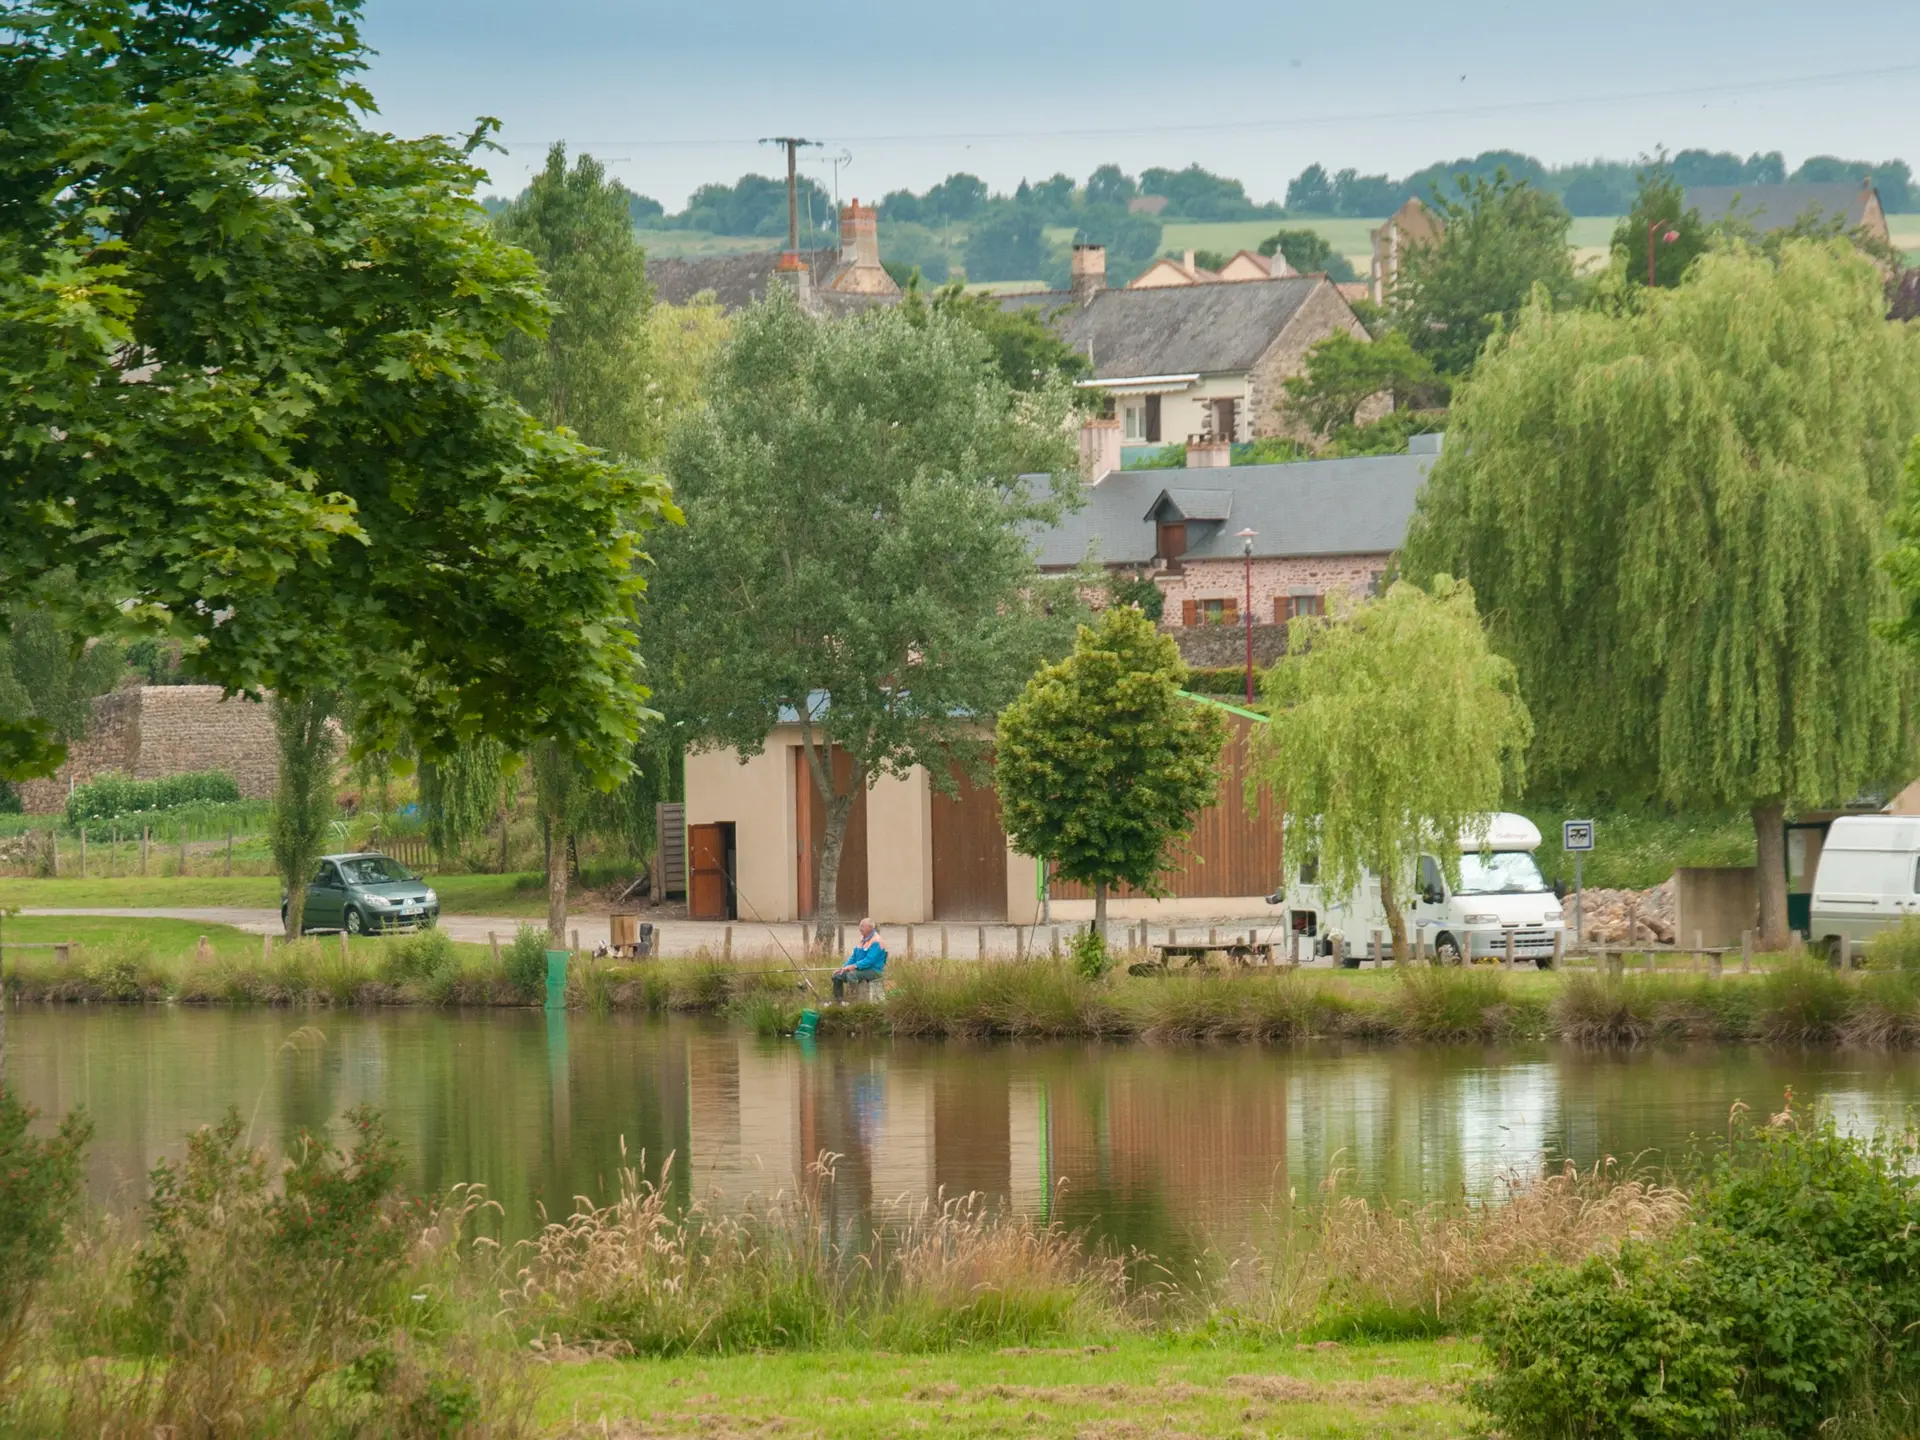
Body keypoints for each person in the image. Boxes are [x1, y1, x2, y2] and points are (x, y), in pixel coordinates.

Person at [833, 918, 887, 1002]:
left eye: (862, 926)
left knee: (851, 975)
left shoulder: (877, 941)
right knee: (837, 975)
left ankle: (853, 1000)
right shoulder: (862, 938)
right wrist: (843, 968)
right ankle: (838, 1001)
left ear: (870, 928)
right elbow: (854, 957)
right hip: (861, 969)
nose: (860, 928)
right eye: (860, 926)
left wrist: (854, 966)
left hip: (873, 970)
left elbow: (869, 961)